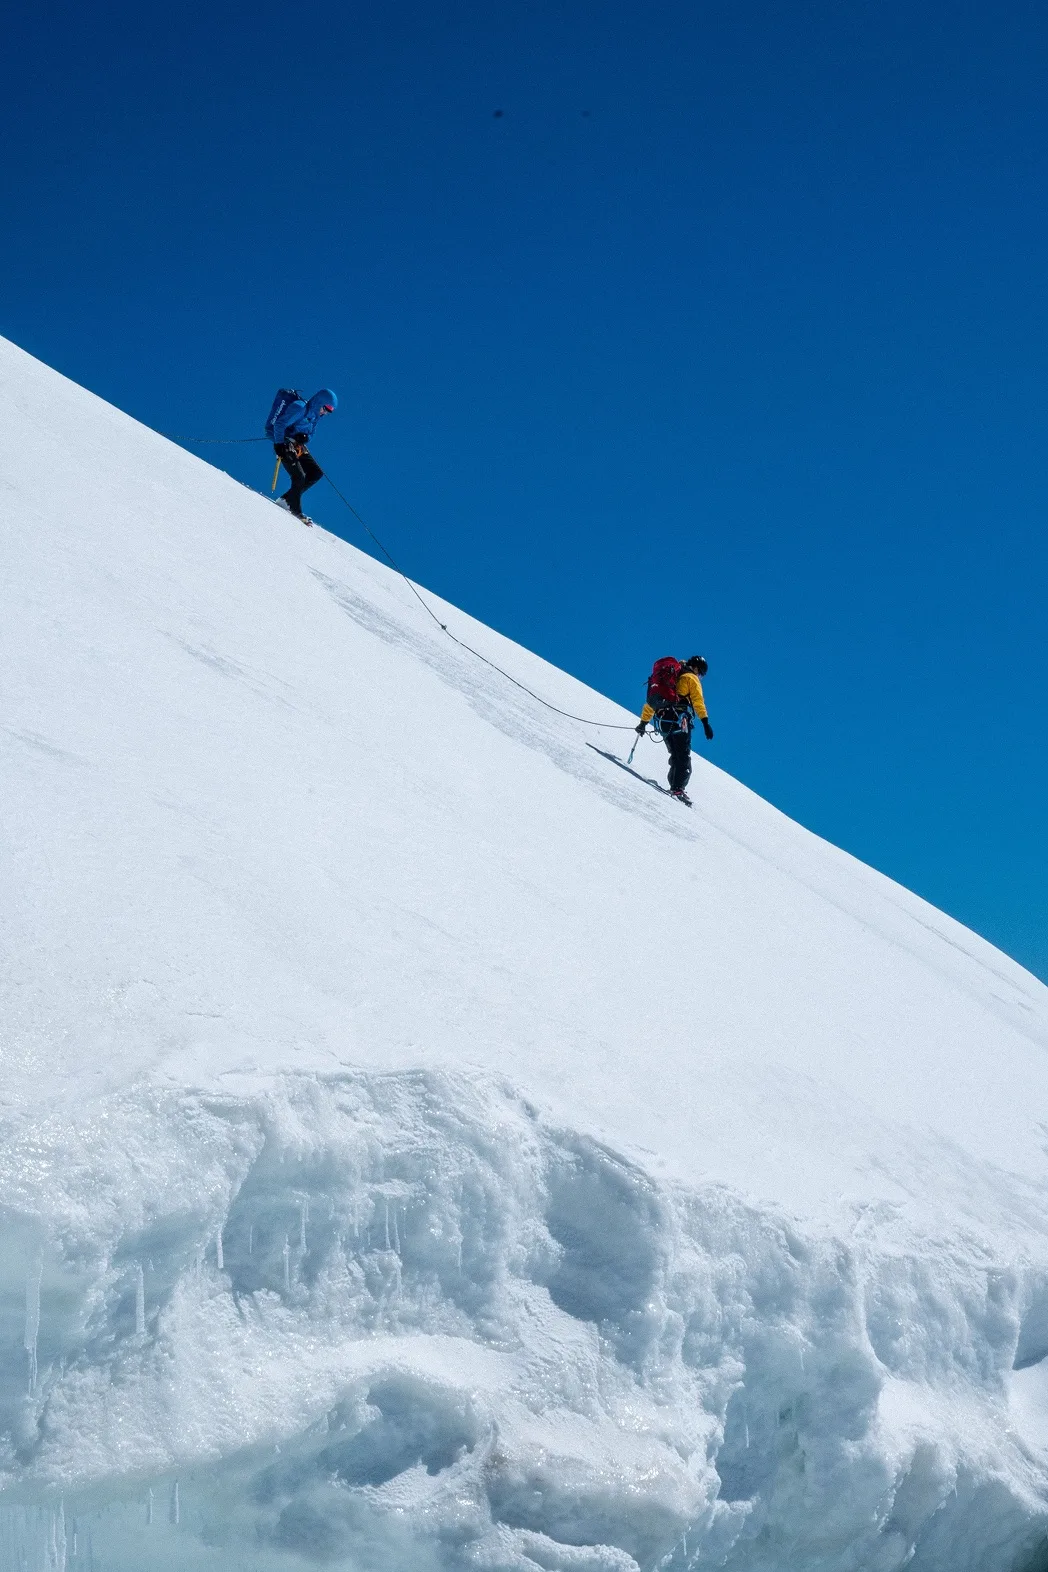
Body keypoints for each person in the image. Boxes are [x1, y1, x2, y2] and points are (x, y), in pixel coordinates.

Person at [635, 655, 714, 806]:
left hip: (663, 722)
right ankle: (678, 789)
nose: (700, 676)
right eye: (700, 673)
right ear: (696, 668)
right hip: (679, 721)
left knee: (675, 754)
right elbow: (698, 701)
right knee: (682, 755)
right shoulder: (691, 678)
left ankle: (675, 786)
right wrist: (705, 723)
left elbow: (655, 700)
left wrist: (643, 723)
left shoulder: (672, 675)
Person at [264, 387, 338, 521]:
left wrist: (304, 438)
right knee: (299, 476)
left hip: (296, 445)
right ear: (320, 401)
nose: (325, 412)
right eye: (326, 408)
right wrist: (279, 444)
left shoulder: (316, 416)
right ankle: (295, 510)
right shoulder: (300, 408)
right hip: (284, 443)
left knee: (316, 472)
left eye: (329, 411)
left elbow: (311, 434)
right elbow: (280, 424)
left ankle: (286, 500)